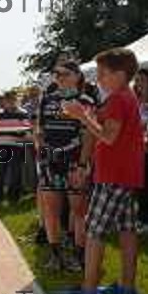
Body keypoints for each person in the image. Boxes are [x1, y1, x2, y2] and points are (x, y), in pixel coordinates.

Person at [62, 48, 144, 294]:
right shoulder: (127, 97)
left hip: (113, 177)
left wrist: (82, 116)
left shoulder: (119, 99)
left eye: (102, 74)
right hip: (127, 176)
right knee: (127, 231)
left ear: (120, 75)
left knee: (93, 230)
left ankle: (89, 292)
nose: (98, 79)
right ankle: (127, 287)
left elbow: (108, 137)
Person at [35, 60, 96, 272]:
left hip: (74, 161)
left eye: (64, 73)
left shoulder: (85, 100)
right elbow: (40, 131)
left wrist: (82, 164)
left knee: (79, 210)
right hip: (50, 162)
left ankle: (78, 256)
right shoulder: (47, 100)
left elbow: (89, 135)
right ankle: (55, 255)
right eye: (56, 73)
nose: (59, 77)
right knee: (51, 210)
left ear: (77, 76)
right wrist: (43, 155)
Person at [0, 91, 31, 203]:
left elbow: (26, 129)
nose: (10, 102)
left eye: (12, 99)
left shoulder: (23, 113)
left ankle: (13, 197)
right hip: (2, 145)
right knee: (1, 170)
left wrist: (21, 133)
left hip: (17, 145)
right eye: (8, 99)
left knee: (16, 171)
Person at [133, 67, 148, 227]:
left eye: (142, 80)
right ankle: (143, 218)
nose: (138, 84)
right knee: (142, 186)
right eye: (137, 80)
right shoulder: (135, 103)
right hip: (139, 151)